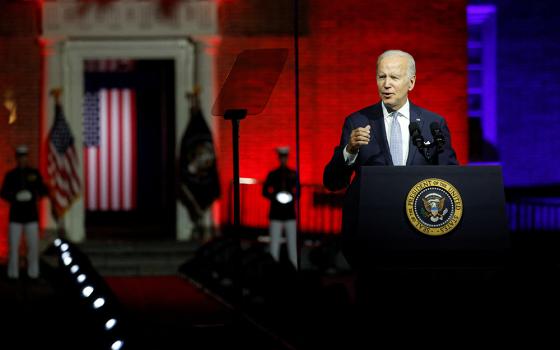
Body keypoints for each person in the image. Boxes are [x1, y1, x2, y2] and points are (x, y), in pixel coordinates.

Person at [323, 49, 458, 268]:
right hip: (370, 235)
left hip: (420, 236)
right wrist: (349, 150)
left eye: (394, 77)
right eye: (381, 76)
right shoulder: (357, 121)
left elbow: (451, 180)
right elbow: (333, 182)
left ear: (411, 82)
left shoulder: (433, 124)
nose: (386, 84)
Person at [1, 145, 49, 280]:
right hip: (15, 216)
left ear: (27, 157)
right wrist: (14, 196)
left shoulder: (34, 173)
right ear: (17, 158)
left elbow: (43, 191)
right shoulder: (10, 175)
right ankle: (12, 273)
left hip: (31, 215)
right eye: (20, 157)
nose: (23, 159)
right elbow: (3, 193)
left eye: (25, 157)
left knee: (33, 247)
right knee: (13, 247)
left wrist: (33, 196)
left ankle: (33, 273)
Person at [262, 146, 298, 269]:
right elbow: (264, 191)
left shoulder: (293, 174)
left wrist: (291, 196)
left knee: (292, 245)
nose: (283, 159)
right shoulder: (273, 174)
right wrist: (275, 196)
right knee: (274, 245)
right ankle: (273, 270)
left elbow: (299, 192)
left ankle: (294, 270)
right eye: (281, 157)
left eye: (285, 157)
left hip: (289, 214)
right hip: (276, 213)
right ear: (279, 158)